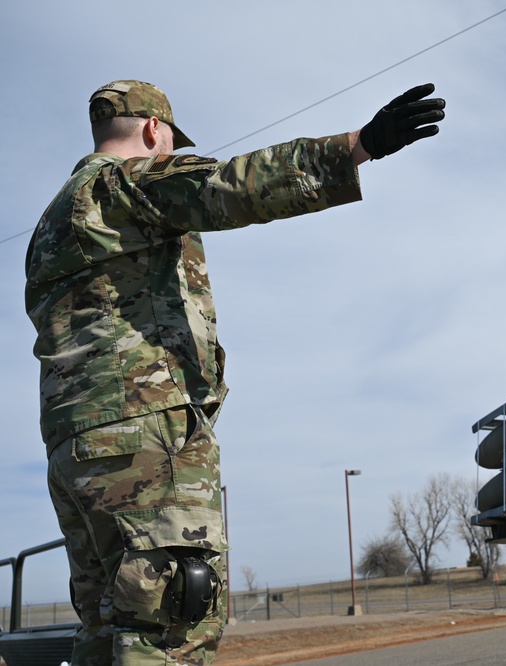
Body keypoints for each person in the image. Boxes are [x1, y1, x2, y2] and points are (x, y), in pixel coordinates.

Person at [24, 79, 445, 665]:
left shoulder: (52, 221)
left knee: (108, 629)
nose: (170, 152)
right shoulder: (123, 186)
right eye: (169, 142)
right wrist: (357, 146)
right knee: (173, 627)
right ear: (152, 131)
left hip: (75, 448)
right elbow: (227, 185)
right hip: (143, 436)